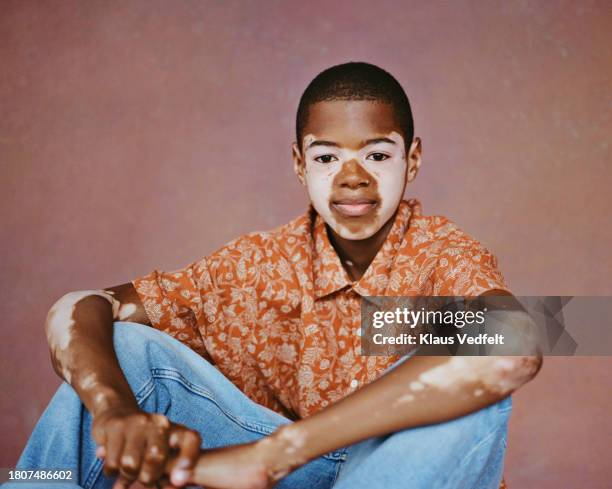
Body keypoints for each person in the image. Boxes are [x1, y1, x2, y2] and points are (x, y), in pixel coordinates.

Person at [6, 62, 541, 489]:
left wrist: (272, 455)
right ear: (298, 164)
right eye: (327, 158)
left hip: (391, 469)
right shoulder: (256, 264)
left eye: (377, 155)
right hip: (288, 475)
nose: (352, 179)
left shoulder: (443, 253)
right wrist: (114, 411)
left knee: (482, 347)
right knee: (123, 347)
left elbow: (520, 342)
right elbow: (80, 304)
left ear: (413, 159)